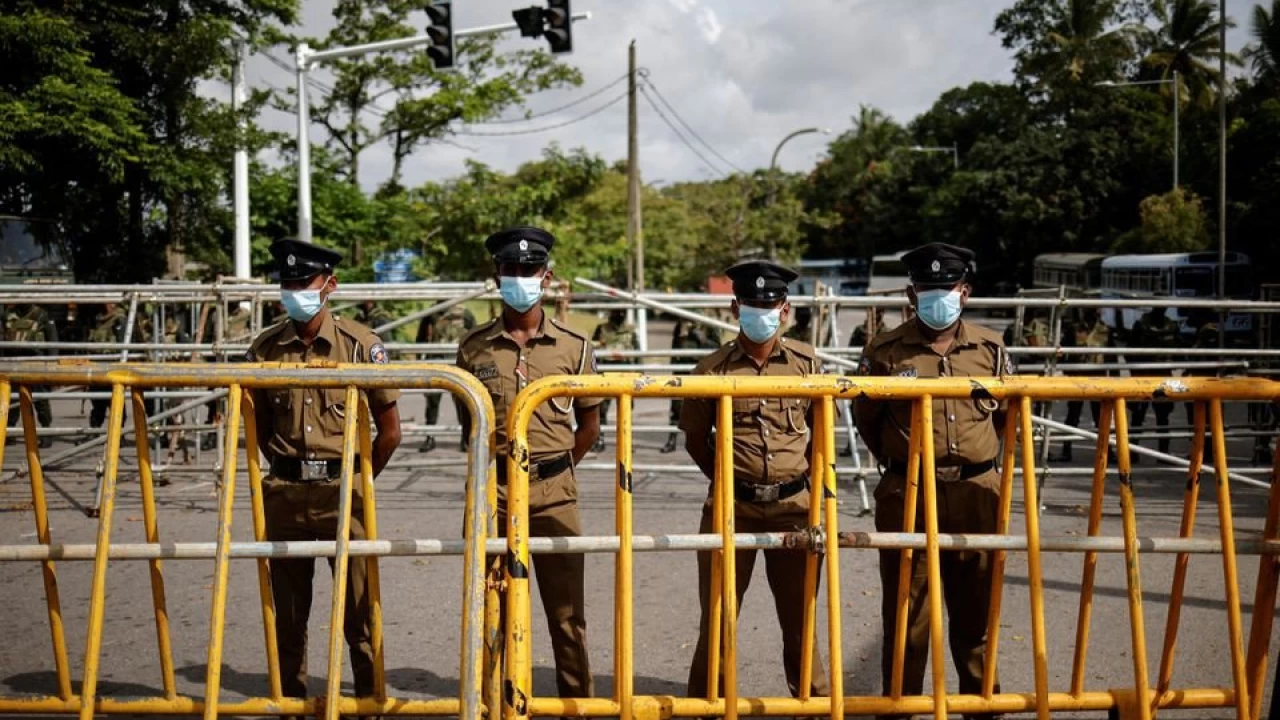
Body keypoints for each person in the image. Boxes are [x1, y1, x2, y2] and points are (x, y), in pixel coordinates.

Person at [244, 238, 402, 711]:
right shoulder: (265, 350)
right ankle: (292, 700)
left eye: (303, 282)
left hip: (343, 489)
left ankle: (369, 701)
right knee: (288, 614)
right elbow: (257, 429)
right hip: (286, 491)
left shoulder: (360, 346)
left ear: (329, 285)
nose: (294, 291)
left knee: (360, 610)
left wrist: (360, 478)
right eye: (286, 283)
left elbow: (390, 430)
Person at [854, 242, 1011, 718]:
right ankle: (900, 708)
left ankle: (982, 707)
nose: (936, 296)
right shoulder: (884, 350)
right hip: (909, 493)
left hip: (977, 492)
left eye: (946, 288)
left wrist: (978, 462)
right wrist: (903, 463)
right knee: (908, 615)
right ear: (910, 292)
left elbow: (1002, 418)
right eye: (927, 289)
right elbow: (866, 418)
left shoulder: (990, 347)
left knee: (976, 613)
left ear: (964, 291)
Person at [454, 226, 600, 700]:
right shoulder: (472, 348)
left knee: (567, 613)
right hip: (493, 492)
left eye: (529, 270)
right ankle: (494, 702)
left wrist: (555, 467)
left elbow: (590, 425)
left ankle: (576, 705)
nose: (520, 278)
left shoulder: (576, 348)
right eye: (511, 270)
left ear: (547, 276)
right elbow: (469, 426)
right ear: (496, 276)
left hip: (555, 489)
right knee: (488, 605)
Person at [680, 260, 830, 700]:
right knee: (720, 617)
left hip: (794, 509)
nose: (760, 311)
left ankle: (814, 703)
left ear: (785, 309)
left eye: (769, 303)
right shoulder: (712, 369)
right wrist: (730, 481)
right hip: (732, 508)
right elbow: (695, 439)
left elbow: (821, 435)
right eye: (751, 303)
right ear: (734, 307)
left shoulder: (806, 364)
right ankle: (707, 704)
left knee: (801, 618)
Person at [416, 304, 476, 453]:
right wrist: (420, 361)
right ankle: (430, 436)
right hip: (436, 360)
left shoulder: (465, 313)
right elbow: (421, 339)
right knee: (432, 401)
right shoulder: (431, 314)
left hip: (457, 361)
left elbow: (474, 338)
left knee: (462, 401)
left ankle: (465, 438)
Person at [1056, 308, 1111, 462]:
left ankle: (1107, 452)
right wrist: (1066, 369)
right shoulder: (1074, 329)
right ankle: (1066, 451)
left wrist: (1114, 377)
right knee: (1072, 416)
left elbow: (1111, 355)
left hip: (1097, 379)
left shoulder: (1104, 330)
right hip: (1078, 379)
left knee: (1100, 417)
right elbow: (1062, 350)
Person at [1128, 306, 1179, 459]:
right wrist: (1135, 374)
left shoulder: (1171, 326)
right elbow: (1130, 350)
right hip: (1143, 375)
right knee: (1138, 415)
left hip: (1162, 375)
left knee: (1163, 417)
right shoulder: (1141, 325)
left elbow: (1177, 349)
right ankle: (1132, 451)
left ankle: (1163, 453)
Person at [664, 316, 721, 453]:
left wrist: (702, 340)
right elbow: (675, 344)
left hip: (700, 370)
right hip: (682, 369)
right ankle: (672, 439)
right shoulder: (681, 323)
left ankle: (708, 440)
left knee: (705, 408)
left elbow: (717, 347)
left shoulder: (709, 323)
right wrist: (674, 366)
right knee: (677, 407)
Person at [5, 303, 57, 446]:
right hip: (14, 363)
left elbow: (52, 340)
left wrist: (52, 364)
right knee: (12, 400)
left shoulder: (42, 315)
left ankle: (46, 433)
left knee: (40, 400)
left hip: (35, 363)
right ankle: (9, 432)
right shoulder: (8, 314)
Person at [591, 308, 639, 453]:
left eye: (621, 313)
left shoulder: (630, 332)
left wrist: (639, 374)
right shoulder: (602, 329)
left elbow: (637, 354)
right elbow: (593, 349)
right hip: (606, 371)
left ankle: (626, 441)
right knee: (601, 409)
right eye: (615, 312)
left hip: (625, 373)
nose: (618, 315)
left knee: (625, 410)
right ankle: (599, 440)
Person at [88, 303, 129, 429]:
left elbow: (124, 344)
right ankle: (94, 432)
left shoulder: (119, 319)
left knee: (116, 404)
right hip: (98, 367)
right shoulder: (99, 320)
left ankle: (118, 435)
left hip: (113, 368)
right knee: (98, 404)